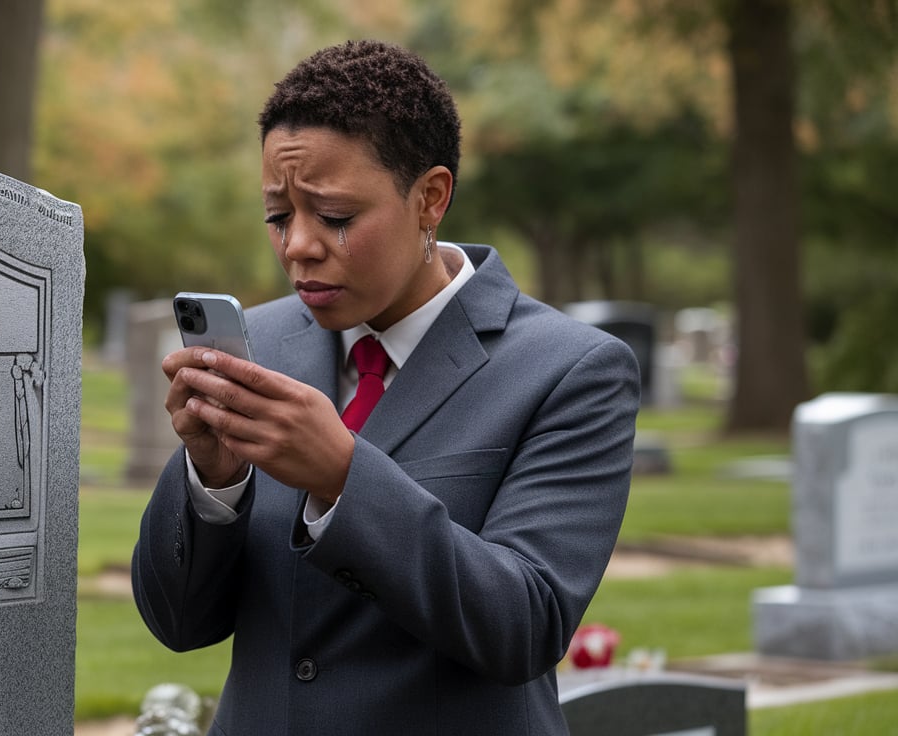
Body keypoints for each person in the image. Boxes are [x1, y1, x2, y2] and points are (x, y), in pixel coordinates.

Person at [131, 39, 640, 735]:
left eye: (335, 217)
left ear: (430, 198)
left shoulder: (572, 370)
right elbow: (178, 622)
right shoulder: (262, 345)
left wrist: (344, 475)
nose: (299, 246)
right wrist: (212, 483)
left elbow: (524, 625)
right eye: (279, 217)